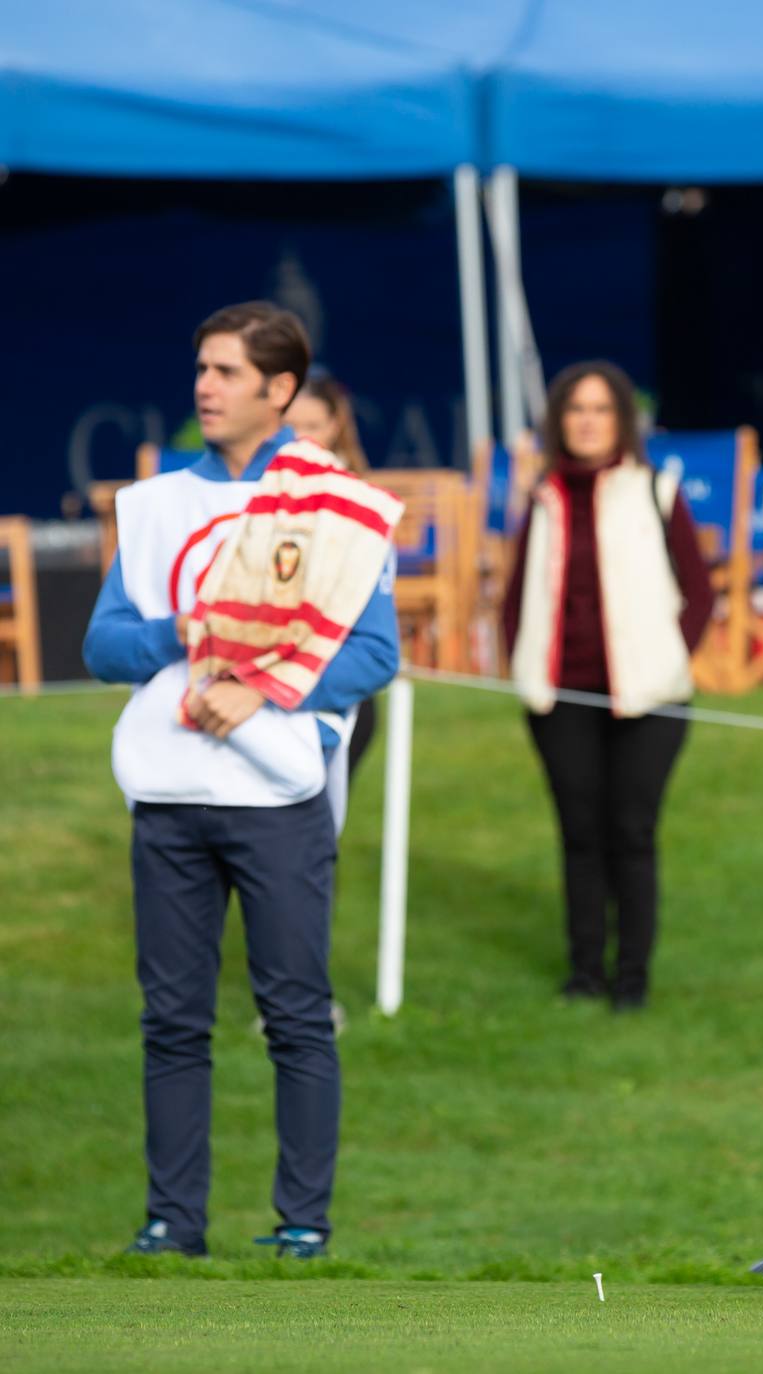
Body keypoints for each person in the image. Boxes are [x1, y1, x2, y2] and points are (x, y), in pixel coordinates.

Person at [83, 301, 400, 1260]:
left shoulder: (332, 504)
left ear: (282, 390)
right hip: (168, 794)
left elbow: (373, 653)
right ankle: (172, 1222)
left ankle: (301, 1222)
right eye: (202, 369)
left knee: (296, 1014)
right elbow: (100, 646)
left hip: (277, 797)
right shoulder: (154, 507)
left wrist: (259, 692)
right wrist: (176, 636)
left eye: (226, 372)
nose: (205, 387)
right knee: (171, 1020)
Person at [502, 361, 715, 1011]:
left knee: (631, 830)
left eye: (600, 409)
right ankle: (584, 971)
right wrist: (521, 658)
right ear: (558, 421)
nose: (587, 421)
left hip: (650, 697)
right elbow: (515, 595)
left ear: (622, 419)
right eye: (575, 409)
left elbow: (699, 592)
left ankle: (632, 978)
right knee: (578, 831)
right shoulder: (542, 495)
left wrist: (665, 657)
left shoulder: (655, 489)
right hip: (558, 693)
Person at [287, 371, 377, 779]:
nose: (301, 439)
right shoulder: (248, 494)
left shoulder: (357, 499)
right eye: (289, 427)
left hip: (333, 675)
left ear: (335, 427)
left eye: (312, 427)